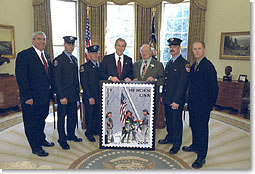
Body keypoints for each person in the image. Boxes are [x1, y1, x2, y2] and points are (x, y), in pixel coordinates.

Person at [15, 31, 54, 157]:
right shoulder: (24, 55)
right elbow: (21, 78)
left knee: (41, 119)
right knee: (31, 122)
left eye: (43, 39)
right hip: (31, 98)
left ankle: (41, 139)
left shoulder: (47, 55)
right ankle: (35, 147)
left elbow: (48, 77)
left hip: (44, 97)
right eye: (39, 39)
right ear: (33, 41)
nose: (41, 41)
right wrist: (27, 97)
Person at [182, 41, 218, 169]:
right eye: (195, 49)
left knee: (202, 130)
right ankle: (195, 145)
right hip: (193, 104)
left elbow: (214, 89)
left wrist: (209, 106)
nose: (197, 51)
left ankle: (201, 156)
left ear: (204, 50)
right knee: (194, 126)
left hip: (203, 106)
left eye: (199, 49)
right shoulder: (194, 65)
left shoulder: (208, 66)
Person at [159, 38, 189, 155]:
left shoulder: (184, 64)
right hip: (167, 98)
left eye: (174, 46)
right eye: (170, 47)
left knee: (176, 122)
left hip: (176, 100)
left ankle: (177, 144)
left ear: (179, 48)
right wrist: (164, 96)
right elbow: (167, 82)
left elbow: (182, 84)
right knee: (169, 120)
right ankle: (170, 137)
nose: (172, 48)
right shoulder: (170, 62)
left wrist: (176, 101)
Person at [53, 36, 82, 150]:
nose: (71, 47)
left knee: (72, 116)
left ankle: (71, 135)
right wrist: (61, 96)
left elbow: (75, 79)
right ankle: (62, 139)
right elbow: (57, 80)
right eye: (69, 44)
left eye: (72, 44)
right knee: (62, 118)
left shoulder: (74, 59)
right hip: (64, 96)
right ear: (64, 45)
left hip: (73, 95)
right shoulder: (58, 60)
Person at [80, 45, 101, 142]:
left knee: (97, 114)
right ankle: (89, 133)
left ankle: (95, 130)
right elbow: (84, 84)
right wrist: (89, 97)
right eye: (93, 53)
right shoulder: (84, 67)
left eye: (97, 53)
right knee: (89, 115)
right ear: (88, 55)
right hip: (90, 96)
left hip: (99, 96)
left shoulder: (101, 66)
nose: (95, 55)